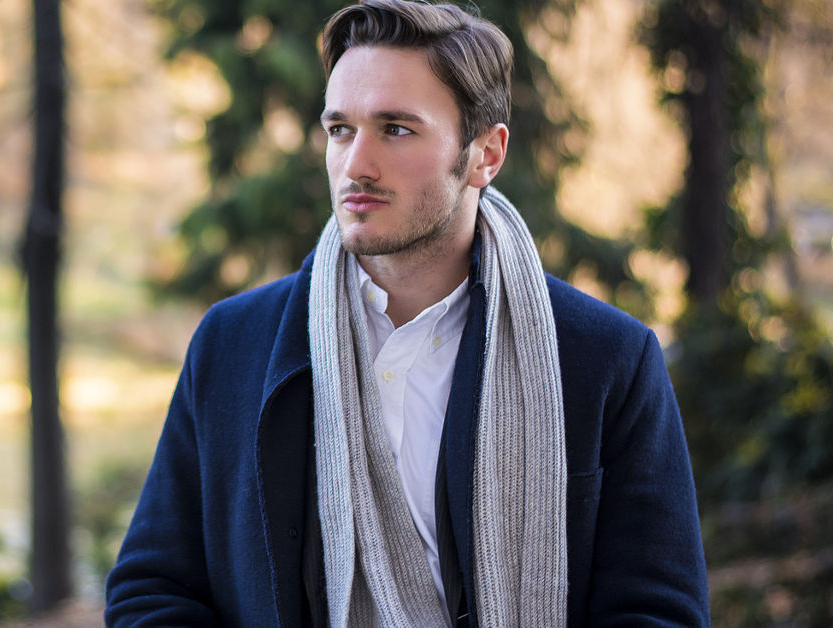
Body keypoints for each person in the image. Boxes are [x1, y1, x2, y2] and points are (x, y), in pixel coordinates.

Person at [104, 1, 709, 626]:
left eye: (395, 128)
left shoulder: (603, 358)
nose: (355, 165)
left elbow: (656, 611)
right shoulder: (233, 345)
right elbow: (153, 589)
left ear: (485, 155)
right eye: (340, 129)